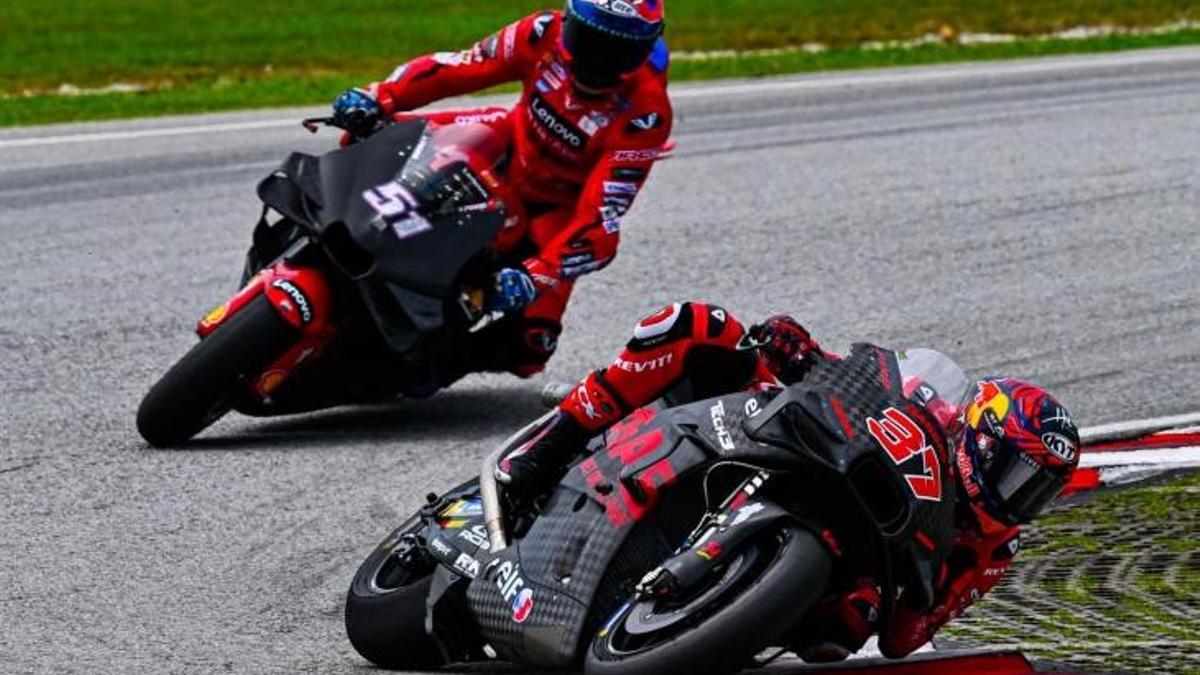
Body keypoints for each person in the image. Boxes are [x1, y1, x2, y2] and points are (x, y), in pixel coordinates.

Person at [496, 301, 1081, 660]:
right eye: (1016, 472)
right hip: (794, 439)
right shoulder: (933, 406)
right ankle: (555, 444)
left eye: (1038, 490)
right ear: (978, 434)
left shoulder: (993, 547)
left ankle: (712, 621)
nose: (1019, 495)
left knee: (844, 627)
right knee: (693, 325)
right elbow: (856, 382)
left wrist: (890, 601)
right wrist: (797, 349)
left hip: (846, 560)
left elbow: (907, 637)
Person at [327, 0, 672, 378]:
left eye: (619, 50)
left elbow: (601, 219)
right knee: (372, 130)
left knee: (530, 346)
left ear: (644, 48)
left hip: (557, 208)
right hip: (505, 144)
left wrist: (536, 274)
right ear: (569, 21)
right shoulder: (541, 33)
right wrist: (381, 94)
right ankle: (326, 216)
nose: (599, 62)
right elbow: (460, 66)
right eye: (590, 40)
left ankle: (415, 364)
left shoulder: (646, 113)